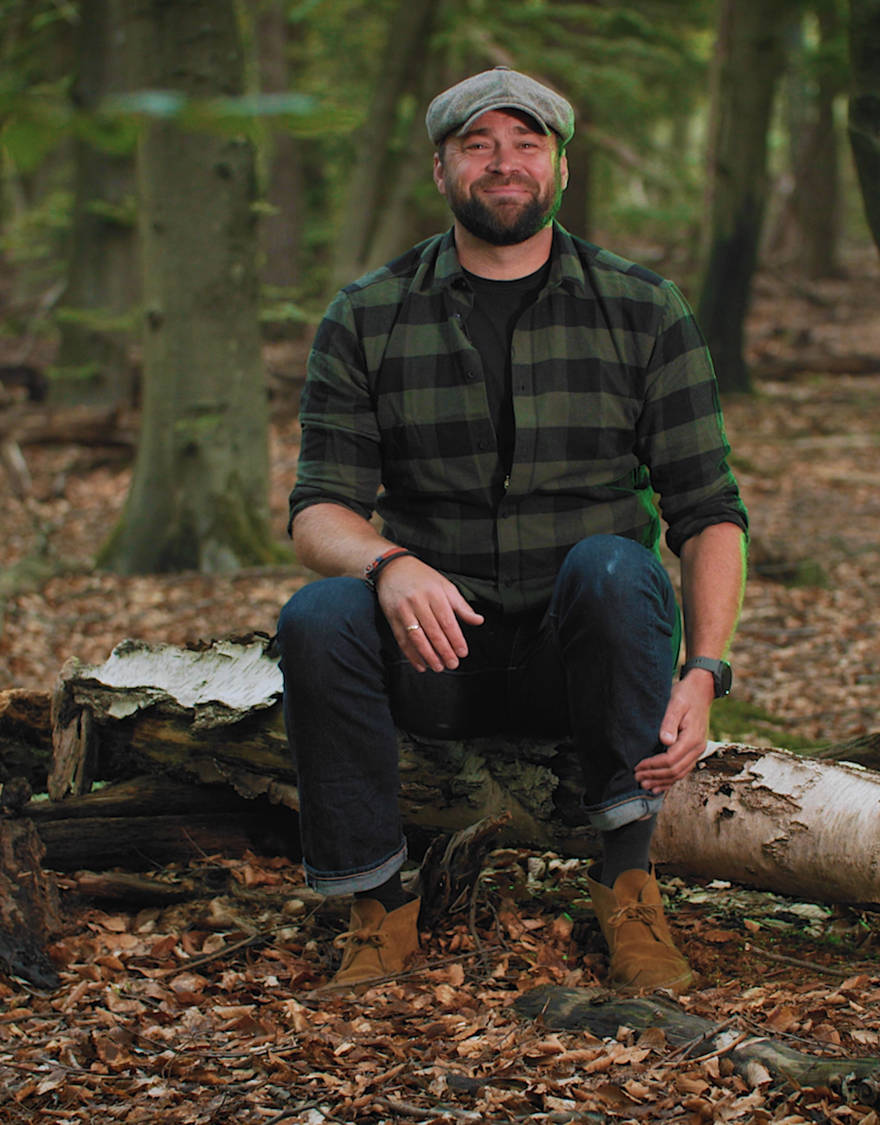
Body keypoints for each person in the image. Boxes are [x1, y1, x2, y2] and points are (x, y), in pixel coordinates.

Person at [279, 66, 748, 992]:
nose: (504, 163)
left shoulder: (642, 307)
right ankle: (376, 907)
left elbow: (708, 511)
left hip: (581, 661)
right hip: (437, 656)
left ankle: (629, 889)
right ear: (442, 169)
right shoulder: (368, 314)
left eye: (527, 143)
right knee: (318, 614)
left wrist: (705, 670)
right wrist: (388, 562)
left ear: (561, 167)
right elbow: (317, 508)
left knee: (615, 565)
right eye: (478, 145)